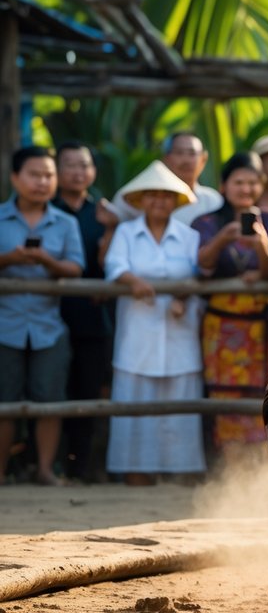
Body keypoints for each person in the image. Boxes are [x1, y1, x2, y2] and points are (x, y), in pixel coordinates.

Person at [102, 162, 205, 485]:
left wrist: (183, 298)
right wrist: (132, 280)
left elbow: (198, 277)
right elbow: (114, 264)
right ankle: (137, 478)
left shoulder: (190, 237)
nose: (159, 202)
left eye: (166, 196)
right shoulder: (125, 233)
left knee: (180, 411)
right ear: (141, 200)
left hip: (179, 332)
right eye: (153, 196)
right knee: (136, 409)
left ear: (176, 201)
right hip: (138, 334)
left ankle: (179, 479)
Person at [0, 147, 84, 485]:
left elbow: (76, 268)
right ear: (15, 178)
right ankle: (1, 472)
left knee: (51, 399)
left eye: (48, 175)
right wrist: (9, 259)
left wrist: (47, 262)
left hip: (49, 326)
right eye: (35, 174)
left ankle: (46, 469)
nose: (42, 182)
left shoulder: (66, 223)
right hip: (4, 325)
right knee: (3, 402)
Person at [194, 152, 268, 453]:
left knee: (264, 390)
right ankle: (227, 463)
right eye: (238, 182)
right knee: (223, 392)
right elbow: (202, 266)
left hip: (261, 325)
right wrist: (223, 237)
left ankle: (261, 462)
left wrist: (262, 247)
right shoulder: (206, 222)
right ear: (223, 185)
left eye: (252, 182)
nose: (245, 189)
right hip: (221, 324)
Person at [52, 142, 115, 482]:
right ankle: (47, 463)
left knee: (90, 389)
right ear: (57, 171)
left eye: (84, 165)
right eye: (70, 165)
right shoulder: (45, 210)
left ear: (93, 171)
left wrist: (111, 228)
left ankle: (82, 467)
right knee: (51, 390)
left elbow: (113, 263)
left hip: (95, 316)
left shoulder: (104, 213)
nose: (78, 172)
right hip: (52, 312)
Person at [110, 133, 224, 226]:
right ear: (166, 158)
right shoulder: (135, 196)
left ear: (203, 159)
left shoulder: (214, 201)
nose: (186, 160)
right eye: (179, 153)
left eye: (192, 153)